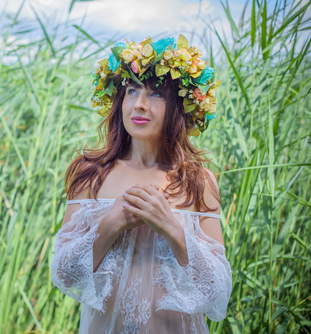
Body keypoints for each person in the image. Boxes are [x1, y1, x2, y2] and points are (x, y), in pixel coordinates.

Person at [50, 34, 232, 333]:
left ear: (179, 106)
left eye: (156, 94)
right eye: (132, 91)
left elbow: (217, 292)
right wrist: (112, 223)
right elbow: (64, 274)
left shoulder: (198, 181)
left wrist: (171, 227)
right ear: (119, 100)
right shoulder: (91, 174)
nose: (140, 105)